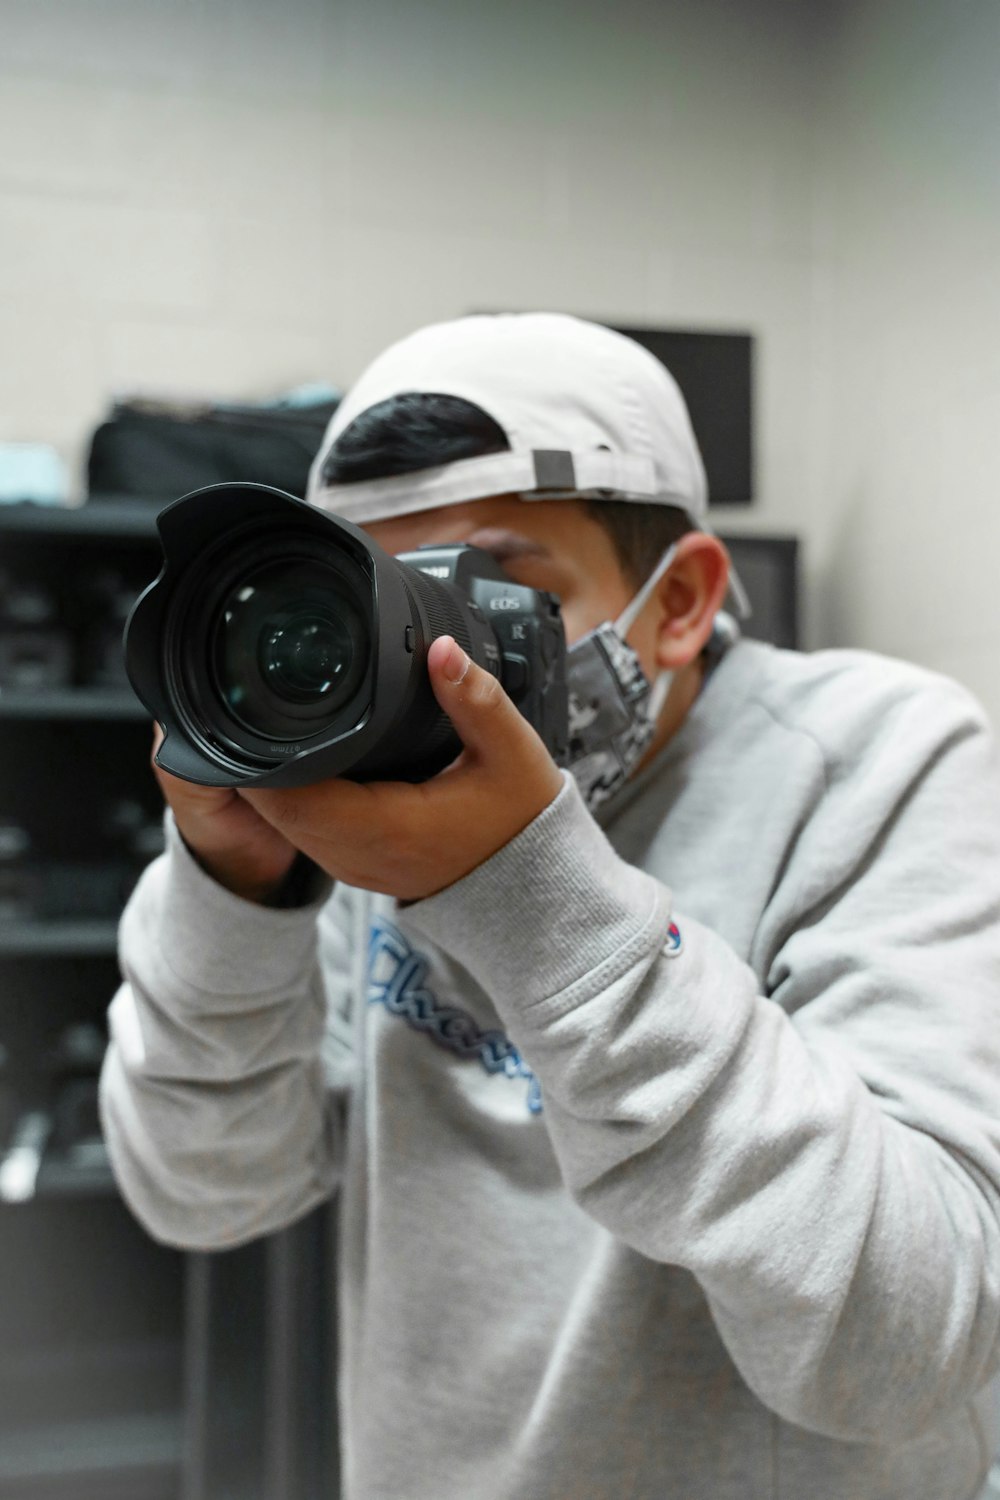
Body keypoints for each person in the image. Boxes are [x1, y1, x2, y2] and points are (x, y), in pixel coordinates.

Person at [99, 313, 1000, 1500]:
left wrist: (524, 887)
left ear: (678, 603)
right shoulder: (351, 788)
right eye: (371, 588)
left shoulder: (874, 761)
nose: (407, 656)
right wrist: (234, 892)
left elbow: (901, 1346)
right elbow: (205, 1194)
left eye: (483, 589)